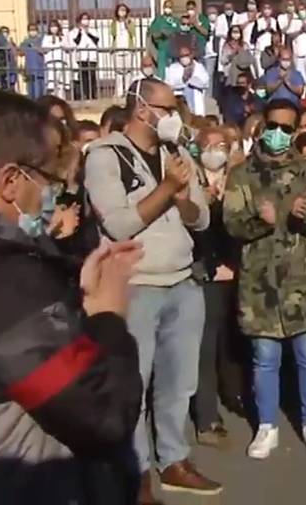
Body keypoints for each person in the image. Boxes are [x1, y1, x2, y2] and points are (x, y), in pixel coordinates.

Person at [0, 90, 143, 504]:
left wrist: (68, 286)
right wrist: (108, 317)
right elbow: (101, 415)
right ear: (11, 181)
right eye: (47, 178)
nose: (50, 193)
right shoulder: (2, 285)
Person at [83, 79, 218, 500]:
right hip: (136, 285)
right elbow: (119, 224)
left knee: (178, 383)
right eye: (167, 107)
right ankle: (136, 469)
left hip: (182, 281)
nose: (173, 115)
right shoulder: (105, 157)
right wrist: (165, 190)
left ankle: (174, 459)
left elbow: (201, 220)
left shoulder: (174, 154)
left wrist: (182, 198)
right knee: (133, 384)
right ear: (142, 109)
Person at [223, 98, 306, 459]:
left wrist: (305, 215)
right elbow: (232, 224)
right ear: (261, 125)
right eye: (274, 125)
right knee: (264, 357)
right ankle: (266, 426)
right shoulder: (242, 174)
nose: (279, 134)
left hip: (303, 279)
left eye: (288, 128)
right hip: (260, 283)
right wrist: (262, 219)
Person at [189, 126, 243, 447]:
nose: (215, 151)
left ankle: (234, 393)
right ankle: (207, 416)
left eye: (221, 145)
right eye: (208, 145)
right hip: (204, 274)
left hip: (237, 271)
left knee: (234, 339)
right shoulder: (190, 182)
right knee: (205, 347)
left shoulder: (238, 180)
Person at [166, 46, 211, 116]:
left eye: (186, 56)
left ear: (190, 56)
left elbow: (206, 82)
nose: (184, 59)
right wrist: (182, 82)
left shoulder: (198, 67)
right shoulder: (173, 68)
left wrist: (193, 82)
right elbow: (168, 84)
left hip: (195, 99)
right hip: (180, 99)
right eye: (182, 56)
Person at [69, 13, 100, 101]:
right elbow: (76, 42)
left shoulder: (93, 30)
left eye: (87, 19)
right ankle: (85, 95)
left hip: (92, 57)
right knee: (83, 77)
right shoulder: (75, 32)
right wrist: (80, 32)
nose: (85, 21)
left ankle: (93, 95)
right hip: (82, 57)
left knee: (92, 76)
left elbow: (96, 40)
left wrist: (87, 32)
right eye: (83, 19)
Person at [110, 3, 138, 98]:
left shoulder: (130, 22)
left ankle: (127, 91)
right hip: (117, 49)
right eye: (120, 10)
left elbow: (133, 33)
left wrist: (127, 24)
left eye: (124, 10)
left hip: (127, 48)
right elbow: (113, 34)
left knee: (128, 71)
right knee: (118, 72)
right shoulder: (114, 23)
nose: (122, 12)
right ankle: (119, 92)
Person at [150, 1, 181, 78]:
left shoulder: (176, 20)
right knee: (162, 74)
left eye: (170, 7)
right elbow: (153, 35)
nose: (168, 9)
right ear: (163, 8)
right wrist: (162, 34)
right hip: (162, 50)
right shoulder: (158, 20)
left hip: (174, 51)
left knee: (174, 74)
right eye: (167, 7)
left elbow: (180, 33)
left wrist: (173, 34)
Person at [252, 2, 281, 78]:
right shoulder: (258, 22)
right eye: (265, 8)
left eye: (269, 8)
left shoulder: (275, 21)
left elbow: (279, 35)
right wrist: (264, 30)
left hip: (272, 52)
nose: (267, 11)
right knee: (261, 74)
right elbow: (253, 37)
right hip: (260, 51)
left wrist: (271, 30)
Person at [42, 20, 69, 99]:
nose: (54, 28)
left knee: (61, 83)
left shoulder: (62, 37)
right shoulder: (46, 37)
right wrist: (53, 45)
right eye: (52, 26)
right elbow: (44, 49)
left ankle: (61, 99)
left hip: (61, 61)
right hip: (51, 62)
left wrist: (62, 44)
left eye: (55, 26)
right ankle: (53, 99)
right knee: (52, 82)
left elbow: (67, 47)